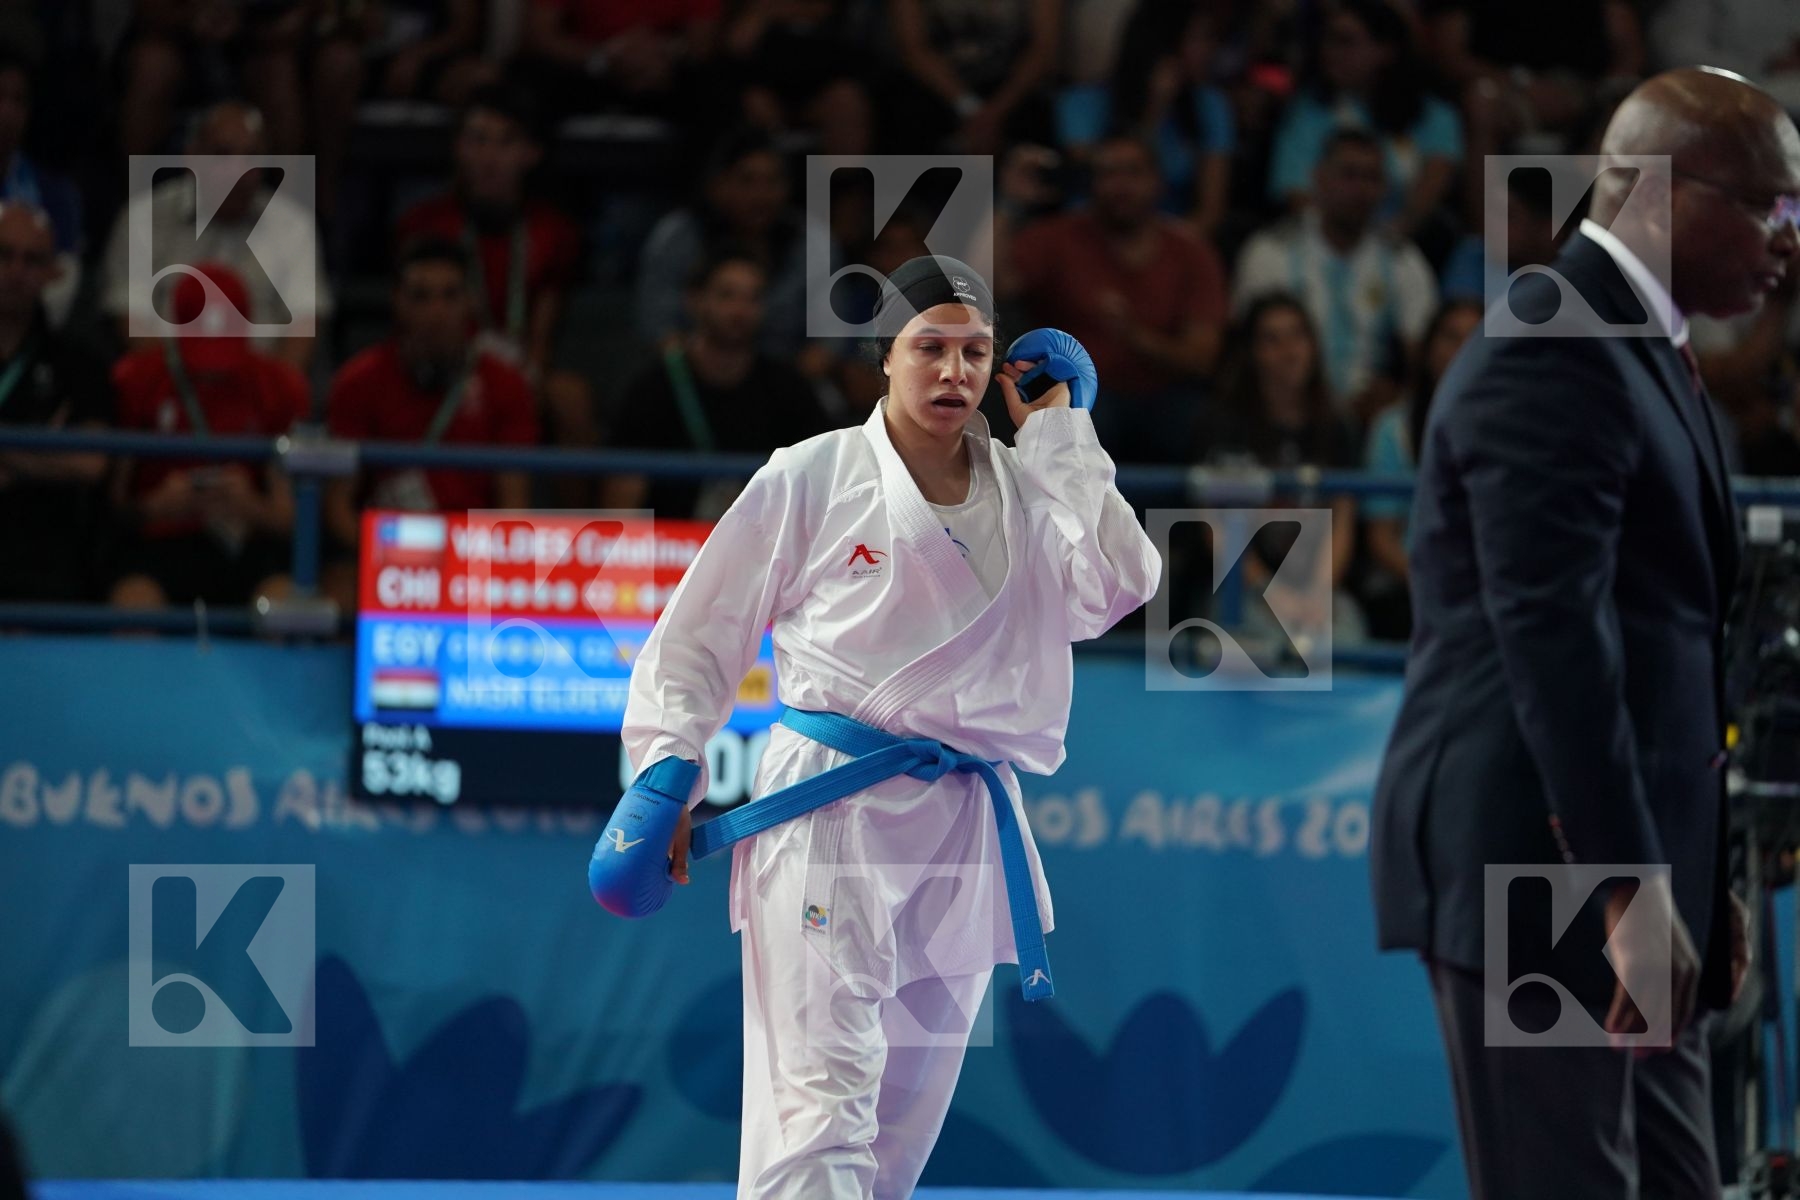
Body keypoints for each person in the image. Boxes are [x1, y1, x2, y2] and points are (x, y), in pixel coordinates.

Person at [614, 255, 1159, 1197]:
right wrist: (667, 769)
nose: (954, 371)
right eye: (930, 347)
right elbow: (699, 633)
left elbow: (1117, 587)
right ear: (885, 357)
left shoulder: (1030, 485)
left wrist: (1062, 432)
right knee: (819, 1120)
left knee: (897, 1141)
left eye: (975, 352)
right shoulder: (814, 474)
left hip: (963, 826)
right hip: (831, 814)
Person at [1369, 68, 1798, 1199]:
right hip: (1542, 876)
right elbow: (1554, 639)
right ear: (1661, 190)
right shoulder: (1554, 342)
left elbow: (1662, 648)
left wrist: (1694, 878)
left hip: (1620, 877)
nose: (1789, 240)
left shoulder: (1640, 345)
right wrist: (1628, 885)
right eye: (1771, 206)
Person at [396, 84, 594, 489]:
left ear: (530, 153)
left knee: (569, 396)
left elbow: (543, 326)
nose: (489, 156)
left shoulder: (553, 231)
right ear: (458, 148)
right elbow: (413, 317)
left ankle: (576, 524)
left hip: (520, 364)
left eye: (505, 142)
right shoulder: (423, 223)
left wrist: (526, 369)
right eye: (478, 140)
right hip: (445, 361)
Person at [323, 237, 537, 602]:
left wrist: (460, 563)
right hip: (387, 558)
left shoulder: (506, 384)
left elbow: (513, 513)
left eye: (450, 296)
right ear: (397, 301)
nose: (436, 312)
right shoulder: (357, 383)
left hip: (475, 560)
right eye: (421, 297)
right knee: (330, 596)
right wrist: (397, 558)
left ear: (470, 302)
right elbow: (338, 509)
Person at [999, 133, 1226, 464]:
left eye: (1133, 172)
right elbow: (991, 286)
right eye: (1108, 173)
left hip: (1167, 397)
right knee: (1084, 416)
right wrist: (1009, 204)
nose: (1121, 186)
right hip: (1079, 396)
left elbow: (1201, 358)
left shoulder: (1190, 252)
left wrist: (1134, 335)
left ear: (1158, 182)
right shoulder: (1057, 238)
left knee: (1202, 419)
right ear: (1091, 184)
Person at [108, 261, 308, 610]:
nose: (213, 369)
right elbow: (110, 509)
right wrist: (154, 507)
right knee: (134, 607)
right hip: (158, 546)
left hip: (248, 545)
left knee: (283, 608)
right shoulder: (136, 380)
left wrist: (250, 505)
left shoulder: (280, 386)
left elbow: (292, 519)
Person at [100, 101, 332, 373]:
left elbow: (304, 324)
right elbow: (132, 321)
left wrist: (270, 393)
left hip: (259, 390)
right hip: (168, 387)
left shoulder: (293, 225)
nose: (238, 169)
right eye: (222, 154)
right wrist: (185, 392)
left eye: (251, 156)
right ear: (191, 157)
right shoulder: (143, 219)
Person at [603, 246, 833, 521]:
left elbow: (823, 485)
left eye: (753, 298)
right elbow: (622, 501)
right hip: (671, 539)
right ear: (694, 301)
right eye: (727, 295)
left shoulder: (789, 388)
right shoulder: (652, 389)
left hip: (765, 542)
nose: (740, 311)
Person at [1234, 128, 1437, 421]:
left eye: (1372, 178)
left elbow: (1425, 356)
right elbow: (1245, 353)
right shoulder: (1272, 252)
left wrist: (1397, 395)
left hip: (1369, 413)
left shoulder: (1402, 260)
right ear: (1318, 178)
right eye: (1349, 175)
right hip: (1285, 405)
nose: (1361, 189)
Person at [1194, 293, 1363, 645]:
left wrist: (1318, 593)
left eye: (1297, 336)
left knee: (1346, 641)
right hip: (1243, 587)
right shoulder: (1224, 424)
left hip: (1316, 588)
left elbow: (1342, 521)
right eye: (1272, 339)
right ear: (1252, 353)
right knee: (1245, 648)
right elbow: (1215, 527)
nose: (1289, 351)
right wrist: (1270, 592)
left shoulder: (1337, 425)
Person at [1267, 0, 1461, 249]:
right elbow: (1297, 194)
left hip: (1400, 242)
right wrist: (1344, 243)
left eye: (1345, 41)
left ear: (1385, 51)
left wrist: (1383, 244)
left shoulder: (1434, 115)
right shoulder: (1307, 111)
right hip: (1324, 244)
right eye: (1327, 40)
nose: (1329, 51)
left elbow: (1428, 191)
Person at [0, 204, 112, 603]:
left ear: (52, 273)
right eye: (4, 255)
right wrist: (41, 451)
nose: (16, 271)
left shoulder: (79, 364)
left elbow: (90, 463)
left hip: (40, 551)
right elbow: (68, 460)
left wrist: (8, 456)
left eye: (32, 260)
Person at [1356, 297, 1482, 640]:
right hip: (1408, 587)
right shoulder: (1391, 428)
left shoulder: (1510, 429)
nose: (1461, 349)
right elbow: (1381, 537)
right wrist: (1431, 582)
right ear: (1428, 348)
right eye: (1450, 337)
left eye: (1474, 338)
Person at [1055, 1, 1235, 234]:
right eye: (1197, 39)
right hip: (1091, 234)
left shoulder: (1210, 105)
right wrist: (1153, 109)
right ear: (1164, 44)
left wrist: (1159, 250)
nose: (1209, 50)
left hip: (1171, 238)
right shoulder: (1081, 103)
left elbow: (1211, 210)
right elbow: (1105, 185)